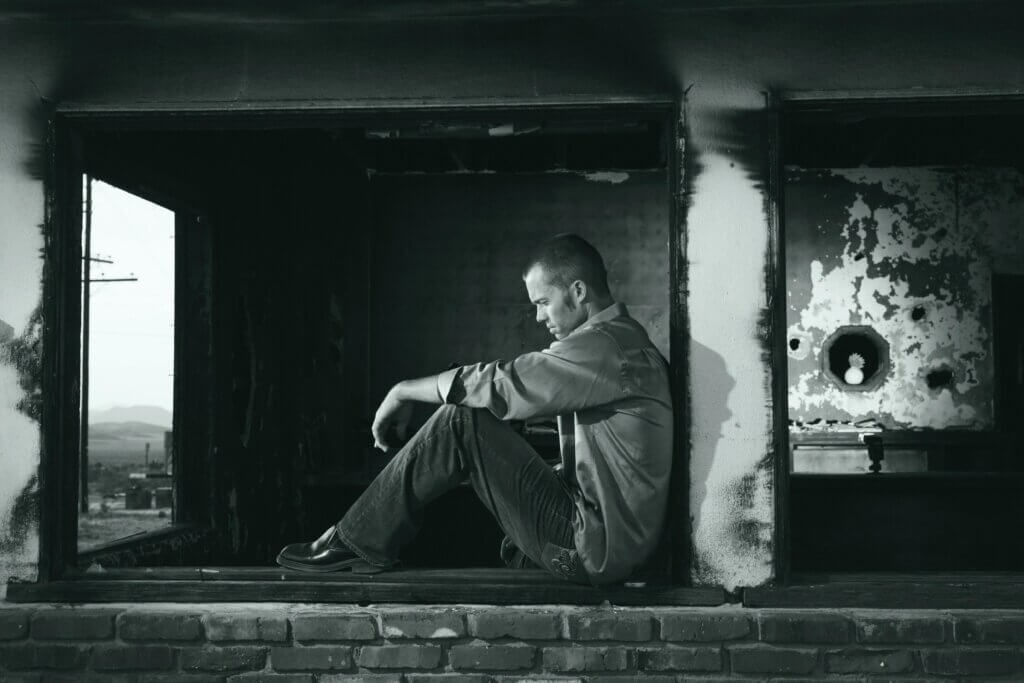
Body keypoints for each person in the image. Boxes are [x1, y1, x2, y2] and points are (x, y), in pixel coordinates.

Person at [276, 234, 673, 585]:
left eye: (543, 302)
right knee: (485, 418)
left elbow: (506, 382)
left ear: (579, 291)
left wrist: (402, 391)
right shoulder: (622, 343)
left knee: (462, 417)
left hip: (594, 553)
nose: (538, 317)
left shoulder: (606, 348)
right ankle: (365, 539)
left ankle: (354, 541)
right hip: (610, 547)